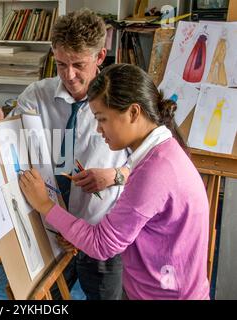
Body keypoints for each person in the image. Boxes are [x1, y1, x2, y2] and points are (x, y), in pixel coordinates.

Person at [19, 64, 210, 300]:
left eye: (102, 119)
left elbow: (102, 244)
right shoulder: (163, 152)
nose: (99, 129)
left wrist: (44, 204)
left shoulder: (155, 170)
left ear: (133, 112)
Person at [0, 9, 129, 299]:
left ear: (100, 56)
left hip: (100, 231)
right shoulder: (37, 94)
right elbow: (11, 139)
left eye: (78, 64)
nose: (69, 75)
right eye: (60, 64)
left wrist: (116, 175)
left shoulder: (122, 99)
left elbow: (149, 165)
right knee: (49, 300)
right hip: (52, 230)